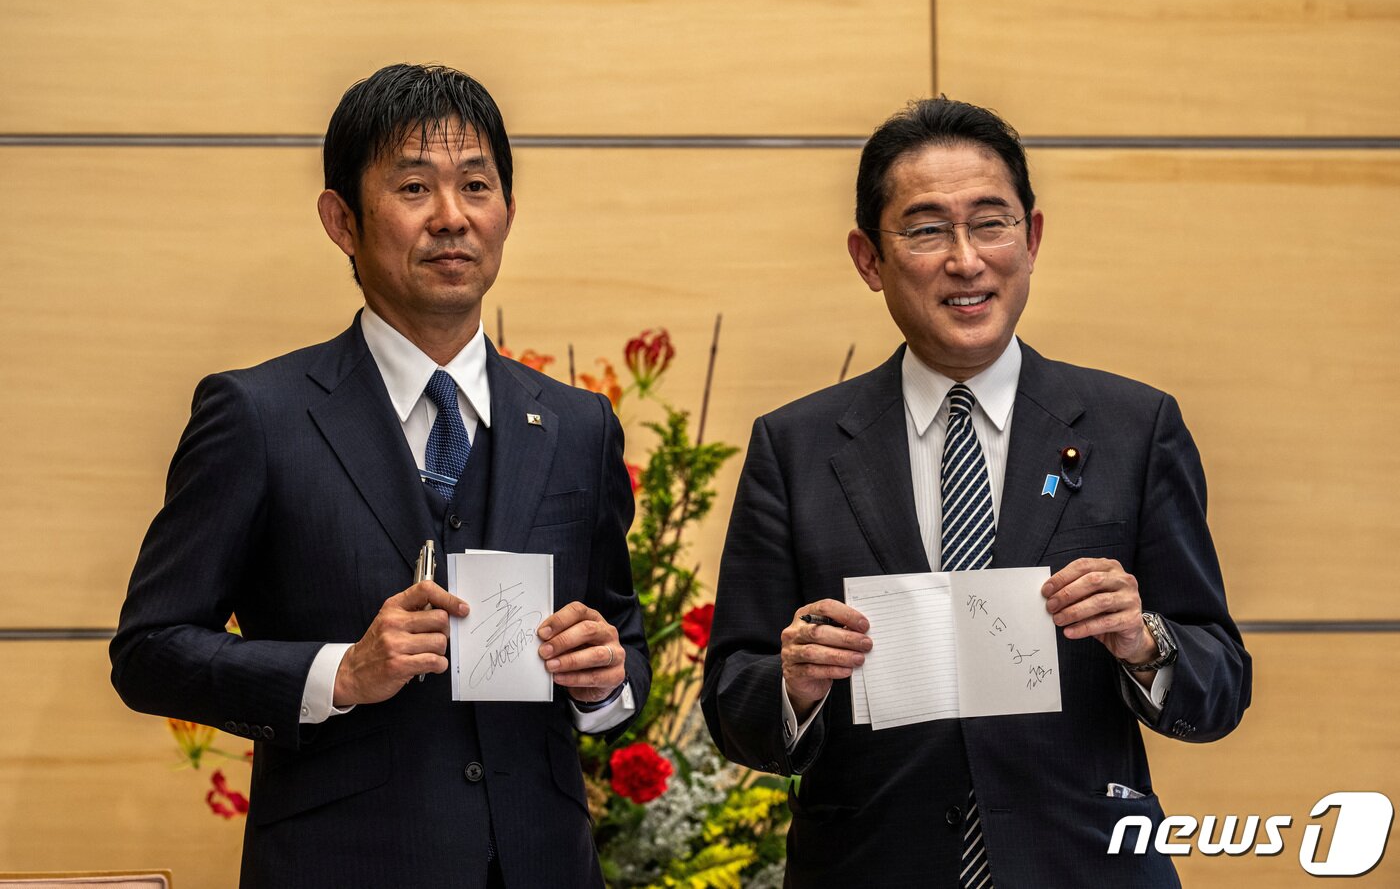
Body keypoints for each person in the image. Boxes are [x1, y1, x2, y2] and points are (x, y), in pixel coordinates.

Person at [110, 64, 648, 889]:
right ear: (342, 221)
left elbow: (623, 642)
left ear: (508, 212)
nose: (451, 217)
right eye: (413, 187)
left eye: (477, 186)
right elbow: (149, 652)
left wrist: (604, 679)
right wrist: (340, 673)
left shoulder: (579, 426)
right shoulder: (258, 416)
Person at [701, 97, 1251, 888]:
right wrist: (793, 685)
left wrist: (1144, 640)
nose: (966, 260)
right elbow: (731, 702)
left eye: (991, 223)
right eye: (926, 230)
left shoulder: (1136, 428)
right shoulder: (795, 447)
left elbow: (1221, 680)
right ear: (868, 258)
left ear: (1032, 239)